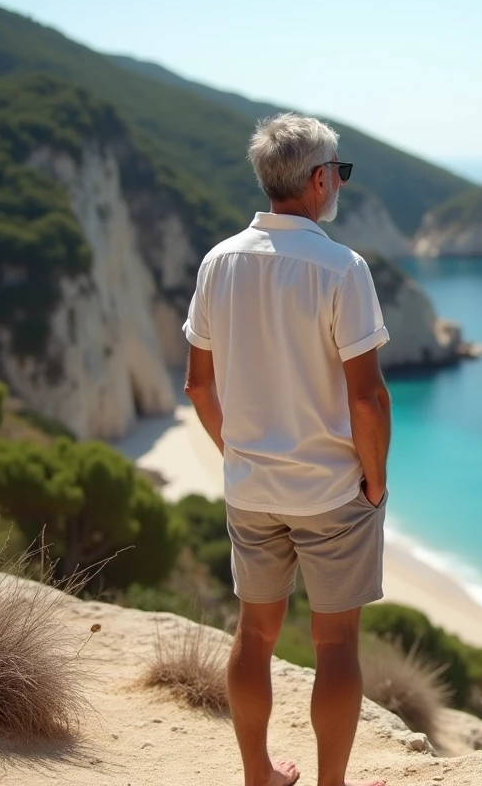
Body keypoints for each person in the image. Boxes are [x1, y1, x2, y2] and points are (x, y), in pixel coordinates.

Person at [182, 112, 391, 786]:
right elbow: (367, 398)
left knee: (255, 636)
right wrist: (376, 481)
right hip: (332, 492)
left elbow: (197, 383)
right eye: (340, 173)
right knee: (335, 645)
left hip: (252, 489)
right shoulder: (341, 268)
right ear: (318, 179)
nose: (340, 184)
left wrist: (236, 453)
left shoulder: (219, 261)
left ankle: (258, 776)